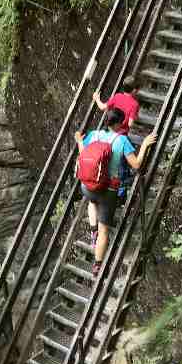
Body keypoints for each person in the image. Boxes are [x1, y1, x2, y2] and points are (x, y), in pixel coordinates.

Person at [75, 107, 157, 278]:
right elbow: (136, 165)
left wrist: (78, 141)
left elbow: (84, 154)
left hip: (87, 187)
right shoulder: (122, 141)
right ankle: (97, 266)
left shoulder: (94, 135)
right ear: (120, 123)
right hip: (108, 191)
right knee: (105, 230)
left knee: (91, 201)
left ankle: (92, 229)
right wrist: (145, 146)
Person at [92, 75, 142, 147]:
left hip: (110, 129)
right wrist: (135, 118)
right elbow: (130, 124)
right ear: (134, 90)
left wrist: (97, 98)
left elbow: (102, 107)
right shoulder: (135, 104)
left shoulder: (117, 96)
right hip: (121, 135)